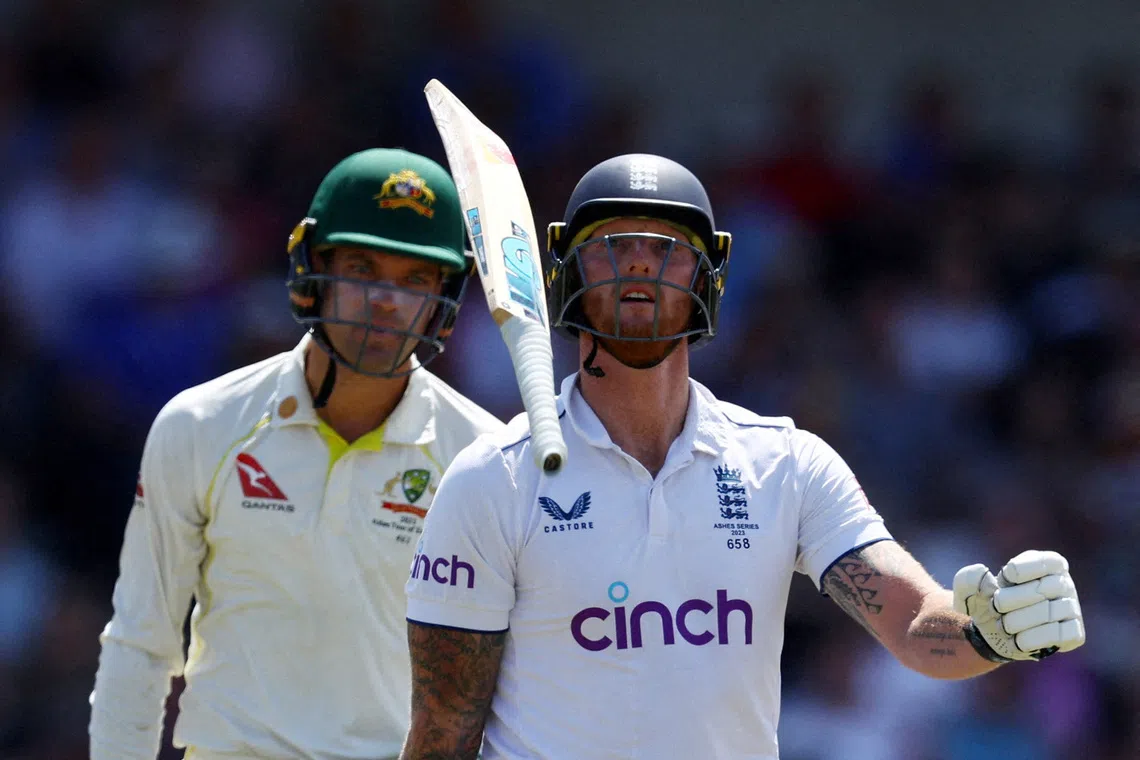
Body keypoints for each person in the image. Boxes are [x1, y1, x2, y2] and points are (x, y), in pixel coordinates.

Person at [400, 154, 1087, 759]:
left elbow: (913, 626)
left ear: (710, 275)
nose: (640, 262)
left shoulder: (787, 466)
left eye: (667, 247)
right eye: (613, 245)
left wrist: (993, 634)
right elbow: (442, 732)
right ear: (566, 269)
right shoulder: (492, 479)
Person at [89, 148, 506, 760]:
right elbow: (140, 642)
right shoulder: (201, 425)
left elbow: (504, 689)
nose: (386, 300)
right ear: (314, 268)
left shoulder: (482, 459)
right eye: (363, 268)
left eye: (415, 278)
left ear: (443, 296)